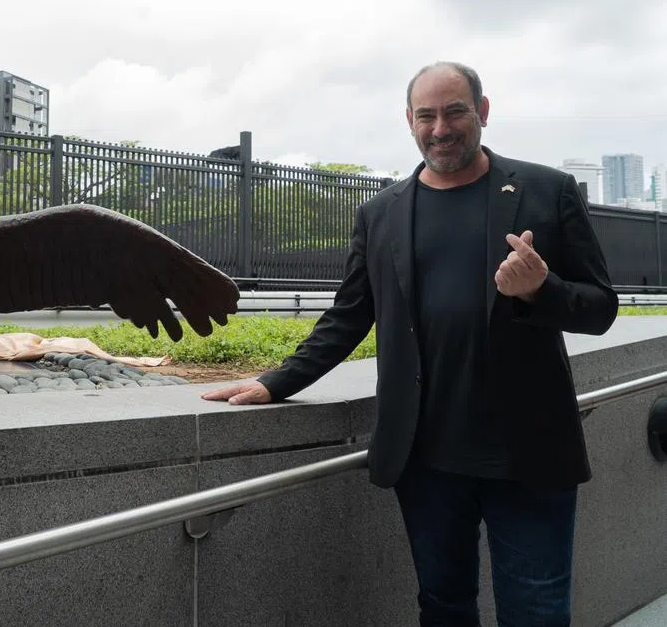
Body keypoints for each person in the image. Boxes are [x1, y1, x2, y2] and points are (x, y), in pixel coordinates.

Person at [203, 61, 618, 626]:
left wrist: (540, 290)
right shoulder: (382, 213)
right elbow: (349, 316)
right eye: (427, 116)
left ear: (483, 112)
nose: (440, 129)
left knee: (537, 609)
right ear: (409, 121)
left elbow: (601, 308)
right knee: (443, 606)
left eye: (455, 112)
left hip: (528, 451)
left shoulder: (547, 191)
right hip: (426, 458)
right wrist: (276, 382)